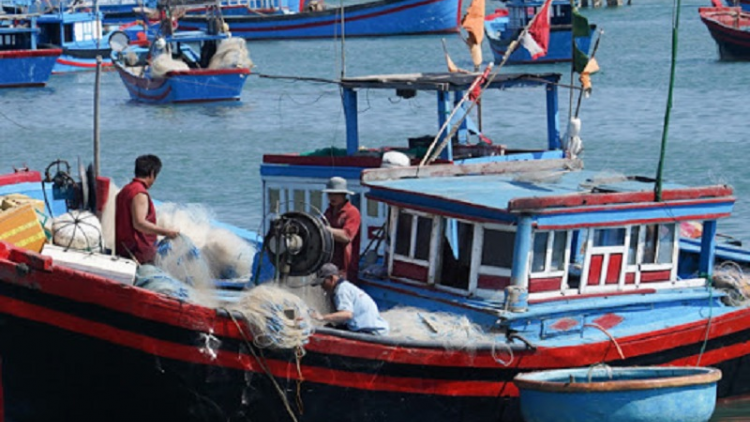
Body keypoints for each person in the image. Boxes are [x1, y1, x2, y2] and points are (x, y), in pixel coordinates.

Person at [115, 155, 179, 264]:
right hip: (137, 256)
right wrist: (167, 232)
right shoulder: (139, 193)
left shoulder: (125, 190)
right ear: (151, 173)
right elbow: (139, 223)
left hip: (123, 251)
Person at [311, 263, 389, 336]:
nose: (322, 286)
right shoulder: (346, 287)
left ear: (332, 278)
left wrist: (322, 317)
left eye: (323, 283)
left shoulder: (341, 291)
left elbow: (346, 314)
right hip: (373, 328)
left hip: (371, 332)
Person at [323, 176, 361, 282]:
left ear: (344, 195)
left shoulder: (352, 213)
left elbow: (347, 236)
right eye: (330, 194)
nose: (332, 197)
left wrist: (325, 229)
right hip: (329, 266)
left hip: (345, 269)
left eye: (336, 194)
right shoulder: (328, 212)